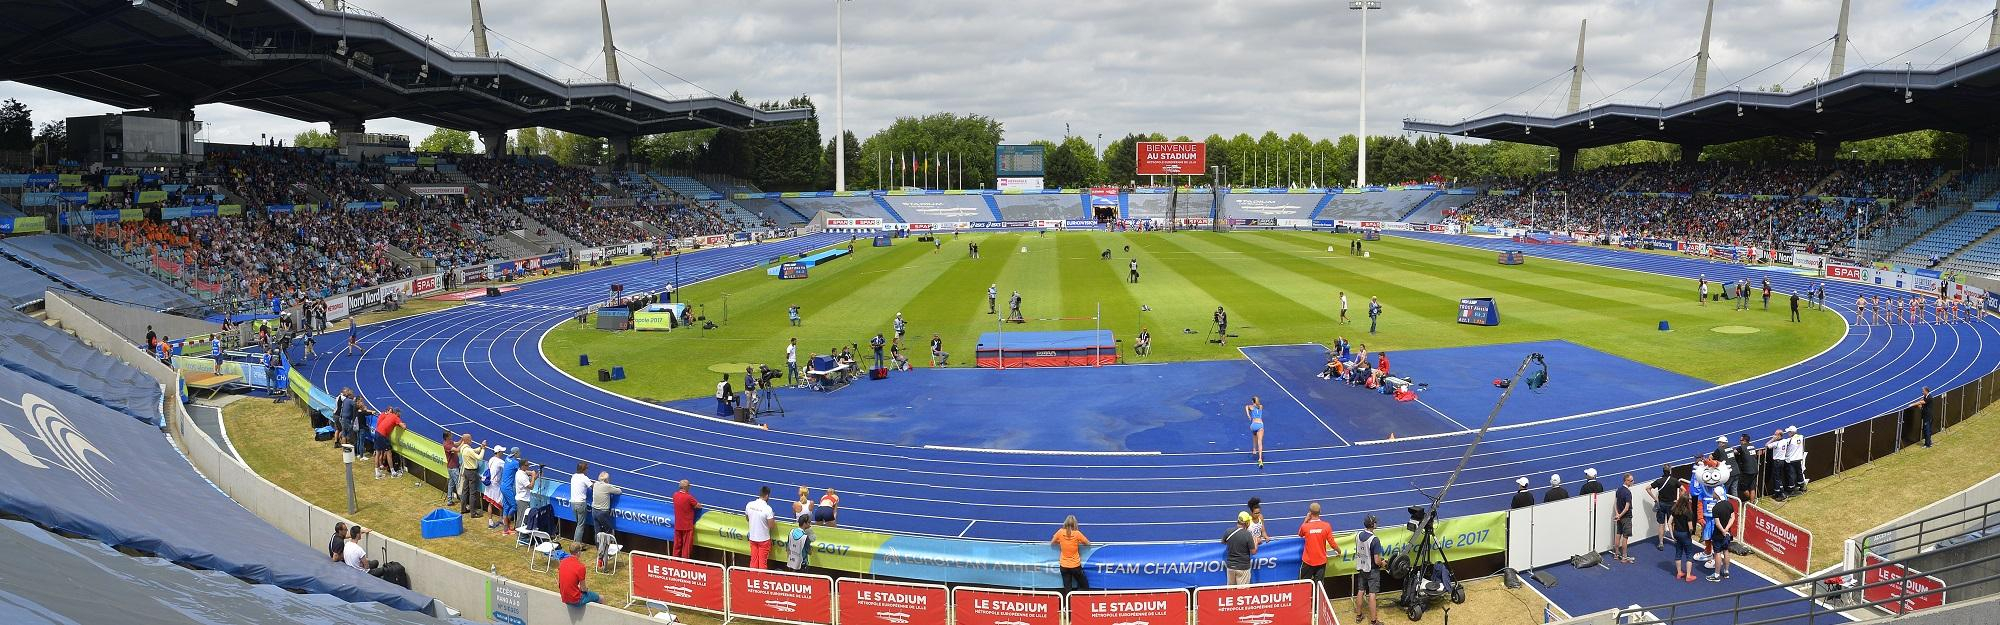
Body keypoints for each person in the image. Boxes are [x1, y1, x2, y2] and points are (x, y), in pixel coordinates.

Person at [1297, 502, 1339, 585]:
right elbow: (1332, 542)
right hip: (1321, 562)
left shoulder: (1305, 526)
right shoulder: (1326, 526)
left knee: (1304, 585)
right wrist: (1338, 550)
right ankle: (1317, 598)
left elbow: (1300, 534)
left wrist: (1305, 520)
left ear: (1310, 512)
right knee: (1319, 586)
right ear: (1320, 512)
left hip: (1308, 561)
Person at [1355, 514, 1385, 625]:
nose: (1377, 523)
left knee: (1360, 591)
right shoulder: (1375, 540)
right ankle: (1373, 621)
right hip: (1372, 570)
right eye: (1375, 522)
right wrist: (1383, 563)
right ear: (1372, 524)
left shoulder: (1358, 535)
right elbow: (1377, 560)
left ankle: (1358, 615)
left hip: (1362, 567)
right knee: (1372, 594)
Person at [1647, 465, 1683, 551]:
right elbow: (1683, 489)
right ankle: (1675, 540)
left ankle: (1661, 543)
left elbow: (1648, 488)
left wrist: (1655, 499)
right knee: (1672, 524)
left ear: (1663, 471)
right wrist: (1678, 500)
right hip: (1671, 505)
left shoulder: (1659, 481)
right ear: (1670, 471)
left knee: (1661, 524)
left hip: (1661, 504)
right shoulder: (1674, 481)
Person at [1051, 515, 1090, 593]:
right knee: (1084, 585)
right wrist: (1077, 542)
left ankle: (1068, 603)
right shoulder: (1077, 534)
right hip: (1075, 566)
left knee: (1067, 588)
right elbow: (1088, 543)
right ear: (1075, 524)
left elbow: (1052, 542)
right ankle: (1079, 600)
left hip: (1064, 566)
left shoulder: (1060, 532)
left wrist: (1061, 541)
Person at [1222, 511, 1257, 586]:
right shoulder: (1247, 534)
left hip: (1230, 567)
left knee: (1231, 592)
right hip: (1243, 567)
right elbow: (1253, 552)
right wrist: (1256, 541)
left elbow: (1223, 542)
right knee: (1242, 593)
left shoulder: (1228, 531)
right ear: (1246, 523)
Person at [746, 486, 776, 569]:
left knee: (753, 561)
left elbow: (747, 518)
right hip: (764, 539)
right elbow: (771, 526)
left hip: (753, 538)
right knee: (763, 563)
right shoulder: (768, 509)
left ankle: (752, 579)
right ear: (767, 496)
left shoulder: (749, 505)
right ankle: (761, 580)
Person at [1671, 490, 1698, 582]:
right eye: (1689, 499)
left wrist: (1672, 534)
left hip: (1677, 533)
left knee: (1678, 552)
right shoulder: (1688, 512)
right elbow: (1690, 527)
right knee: (1689, 554)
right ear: (1687, 501)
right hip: (1685, 534)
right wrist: (1690, 534)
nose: (1691, 500)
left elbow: (1669, 522)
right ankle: (1688, 575)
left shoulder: (1674, 509)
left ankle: (1679, 572)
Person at [1707, 496, 1735, 582]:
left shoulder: (1716, 508)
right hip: (1727, 534)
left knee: (1717, 553)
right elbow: (1732, 518)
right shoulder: (1729, 504)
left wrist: (1723, 530)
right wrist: (1726, 529)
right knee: (1726, 551)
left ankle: (1716, 575)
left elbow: (1717, 523)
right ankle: (1726, 572)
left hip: (1718, 534)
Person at [672, 479, 701, 558]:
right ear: (686, 487)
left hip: (678, 524)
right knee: (686, 547)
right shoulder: (688, 497)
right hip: (687, 525)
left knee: (677, 545)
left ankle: (674, 560)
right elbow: (698, 506)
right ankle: (684, 561)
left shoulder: (675, 495)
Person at [591, 471, 621, 546]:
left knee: (597, 532)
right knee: (609, 530)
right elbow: (619, 491)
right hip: (603, 512)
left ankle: (599, 548)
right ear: (606, 480)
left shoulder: (595, 484)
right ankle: (609, 547)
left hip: (594, 510)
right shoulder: (607, 486)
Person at [569, 462, 594, 551]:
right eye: (587, 469)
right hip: (580, 503)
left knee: (578, 524)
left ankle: (576, 542)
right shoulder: (585, 478)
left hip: (573, 503)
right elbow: (593, 487)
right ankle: (577, 545)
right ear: (584, 469)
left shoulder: (574, 476)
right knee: (580, 525)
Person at [1611, 474, 1636, 563]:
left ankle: (1616, 554)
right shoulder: (1628, 493)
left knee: (1618, 534)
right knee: (1625, 537)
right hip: (1626, 517)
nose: (1633, 482)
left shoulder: (1619, 490)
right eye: (1631, 480)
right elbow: (1627, 507)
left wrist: (1617, 514)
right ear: (1626, 481)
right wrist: (1620, 515)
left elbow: (1615, 503)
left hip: (1620, 517)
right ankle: (1624, 556)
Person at [459, 437, 486, 517]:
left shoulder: (463, 448)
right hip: (472, 472)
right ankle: (473, 513)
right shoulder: (468, 450)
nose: (472, 440)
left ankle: (463, 509)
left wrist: (480, 447)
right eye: (470, 439)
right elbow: (479, 458)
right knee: (472, 493)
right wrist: (483, 449)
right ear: (466, 440)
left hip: (466, 471)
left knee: (465, 491)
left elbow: (473, 451)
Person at [498, 449, 520, 535]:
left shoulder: (507, 458)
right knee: (514, 506)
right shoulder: (515, 463)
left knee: (506, 507)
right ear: (516, 453)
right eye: (518, 452)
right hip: (508, 487)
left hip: (503, 485)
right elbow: (521, 471)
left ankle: (505, 530)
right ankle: (507, 522)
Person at [1735, 434, 1763, 501]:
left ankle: (1749, 499)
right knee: (1752, 487)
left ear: (1744, 440)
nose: (1740, 441)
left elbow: (1735, 452)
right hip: (1755, 469)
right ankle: (1752, 502)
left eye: (1741, 440)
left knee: (1742, 487)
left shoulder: (1741, 447)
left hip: (1747, 471)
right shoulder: (1752, 446)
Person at [1244, 396, 1265, 469]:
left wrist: (1248, 415)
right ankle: (1260, 458)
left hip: (1253, 425)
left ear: (1252, 401)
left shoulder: (1251, 407)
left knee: (1254, 436)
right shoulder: (1261, 407)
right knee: (1260, 442)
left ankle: (1254, 449)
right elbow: (1258, 406)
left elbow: (1246, 407)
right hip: (1260, 425)